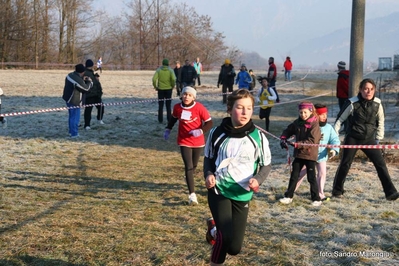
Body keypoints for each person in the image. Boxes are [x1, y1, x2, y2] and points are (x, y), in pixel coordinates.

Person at [203, 89, 272, 265]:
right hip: (219, 190)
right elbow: (209, 158)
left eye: (249, 108)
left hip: (242, 194)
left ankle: (213, 230)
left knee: (234, 248)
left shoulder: (259, 137)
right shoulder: (216, 133)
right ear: (229, 108)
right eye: (240, 107)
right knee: (224, 238)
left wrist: (258, 179)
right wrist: (209, 174)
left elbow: (266, 165)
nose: (244, 112)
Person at [332, 78, 399, 201]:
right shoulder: (352, 103)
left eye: (371, 89)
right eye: (366, 89)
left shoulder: (378, 103)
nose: (369, 91)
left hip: (369, 139)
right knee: (345, 164)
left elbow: (381, 121)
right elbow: (339, 120)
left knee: (381, 164)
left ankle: (390, 192)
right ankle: (337, 190)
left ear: (374, 90)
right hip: (352, 137)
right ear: (361, 90)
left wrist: (378, 138)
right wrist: (335, 138)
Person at [163, 86, 213, 205]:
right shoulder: (177, 108)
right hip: (184, 140)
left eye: (190, 95)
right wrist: (168, 129)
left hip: (198, 142)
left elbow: (209, 122)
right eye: (185, 94)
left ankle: (188, 178)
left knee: (194, 166)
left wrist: (201, 131)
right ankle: (192, 195)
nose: (187, 97)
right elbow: (173, 118)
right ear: (181, 95)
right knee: (189, 166)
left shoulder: (199, 108)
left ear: (193, 97)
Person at [279, 101, 322, 206]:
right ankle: (288, 196)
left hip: (310, 155)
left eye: (305, 112)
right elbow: (289, 130)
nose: (303, 115)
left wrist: (297, 144)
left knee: (311, 177)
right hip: (299, 154)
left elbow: (312, 141)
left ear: (310, 111)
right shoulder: (297, 122)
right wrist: (284, 137)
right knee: (294, 176)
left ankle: (316, 198)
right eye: (301, 112)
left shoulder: (314, 124)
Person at [294, 104, 340, 201]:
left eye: (325, 114)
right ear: (315, 115)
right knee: (300, 174)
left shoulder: (328, 128)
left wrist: (333, 150)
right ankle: (291, 191)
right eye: (321, 114)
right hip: (308, 156)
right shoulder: (309, 126)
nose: (324, 116)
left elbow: (335, 139)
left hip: (321, 156)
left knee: (322, 174)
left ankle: (320, 194)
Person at [62, 64, 93, 138]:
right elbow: (85, 89)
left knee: (71, 116)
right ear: (82, 72)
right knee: (75, 118)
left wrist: (82, 79)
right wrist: (90, 82)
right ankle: (74, 134)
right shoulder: (77, 79)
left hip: (68, 99)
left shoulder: (70, 75)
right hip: (74, 100)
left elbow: (77, 83)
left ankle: (71, 132)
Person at [152, 58, 176, 124]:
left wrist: (155, 86)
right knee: (168, 105)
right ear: (168, 64)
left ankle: (160, 120)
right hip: (169, 89)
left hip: (160, 90)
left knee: (160, 105)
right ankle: (169, 119)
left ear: (162, 63)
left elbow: (154, 79)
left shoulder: (159, 70)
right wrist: (172, 85)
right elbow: (174, 79)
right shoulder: (171, 70)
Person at [83, 59, 105, 130]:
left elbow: (95, 83)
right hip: (89, 95)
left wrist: (96, 79)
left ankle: (99, 119)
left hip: (96, 94)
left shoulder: (92, 72)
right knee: (88, 110)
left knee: (101, 107)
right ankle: (87, 125)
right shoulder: (85, 73)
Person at [336, 61, 349, 133]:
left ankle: (345, 128)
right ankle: (345, 127)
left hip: (343, 97)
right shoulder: (347, 74)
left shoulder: (342, 76)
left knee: (343, 113)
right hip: (345, 97)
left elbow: (345, 86)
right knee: (345, 113)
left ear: (338, 67)